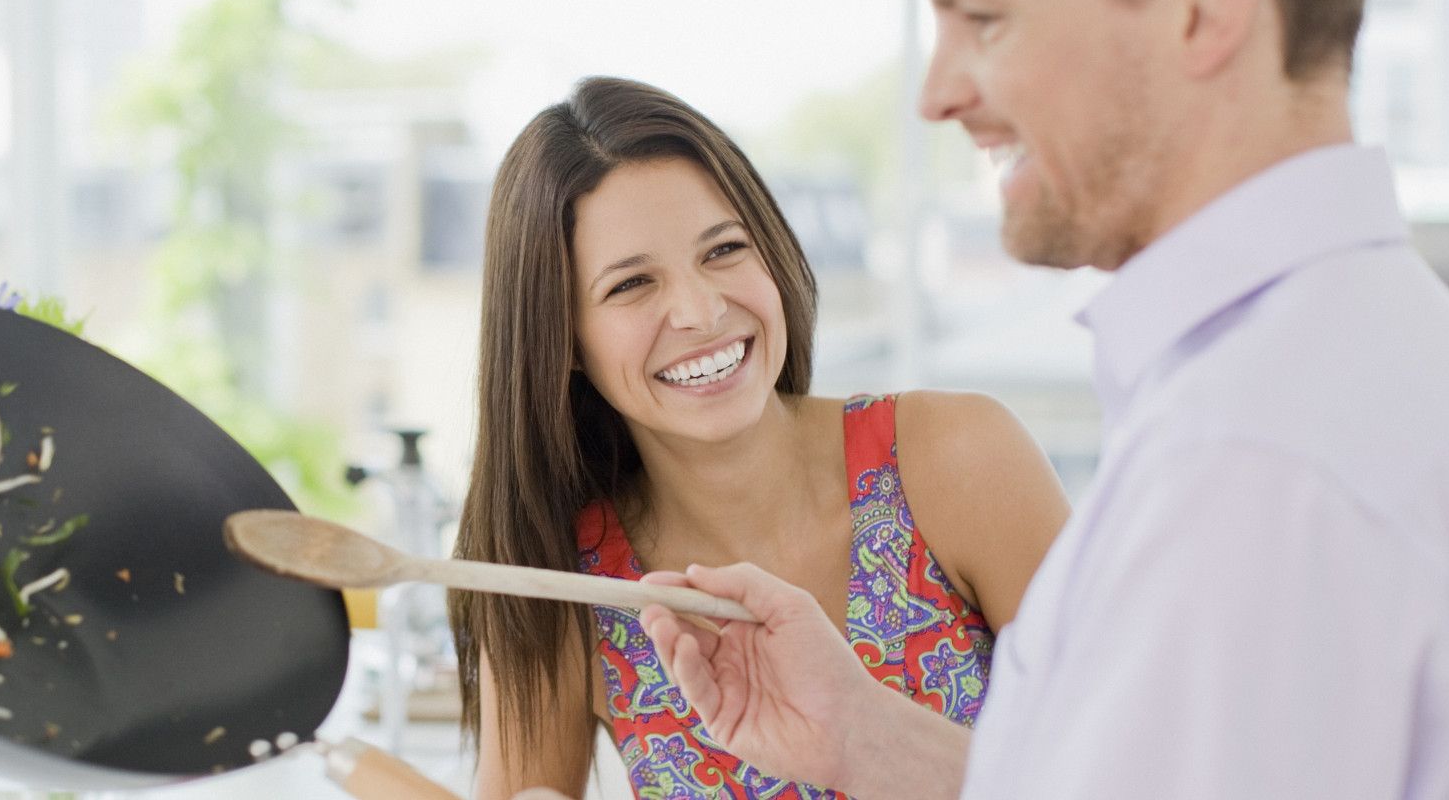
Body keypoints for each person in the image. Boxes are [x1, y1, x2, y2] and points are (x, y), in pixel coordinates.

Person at [612, 0, 1449, 797]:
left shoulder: (1249, 468)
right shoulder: (1342, 353)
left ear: (1201, 2)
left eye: (982, 19)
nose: (936, 92)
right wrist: (862, 736)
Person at [453, 76, 1072, 799]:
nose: (700, 309)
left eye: (722, 251)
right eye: (631, 286)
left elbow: (1146, 764)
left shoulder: (956, 457)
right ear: (561, 339)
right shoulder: (561, 578)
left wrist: (869, 739)